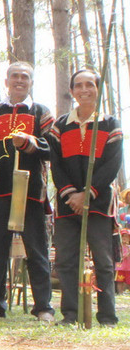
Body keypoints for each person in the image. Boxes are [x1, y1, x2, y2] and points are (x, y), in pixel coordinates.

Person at [0, 61, 54, 322]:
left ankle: (43, 307)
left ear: (31, 82)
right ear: (6, 81)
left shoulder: (41, 112)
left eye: (25, 77)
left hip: (31, 192)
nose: (20, 81)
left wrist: (30, 142)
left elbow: (53, 147)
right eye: (15, 76)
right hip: (0, 193)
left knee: (36, 249)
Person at [48, 68, 123, 326]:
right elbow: (56, 165)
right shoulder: (59, 126)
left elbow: (111, 165)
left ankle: (107, 316)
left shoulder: (110, 124)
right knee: (66, 261)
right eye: (78, 85)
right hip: (67, 204)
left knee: (103, 261)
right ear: (71, 91)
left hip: (99, 202)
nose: (84, 90)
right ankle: (71, 314)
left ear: (98, 89)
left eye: (90, 84)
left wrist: (88, 194)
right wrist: (72, 194)